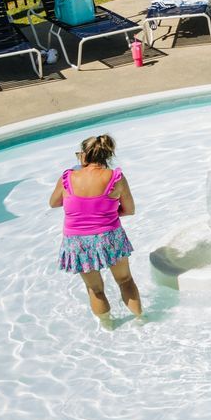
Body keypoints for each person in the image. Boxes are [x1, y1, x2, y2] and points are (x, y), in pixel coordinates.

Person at [48, 134, 144, 328]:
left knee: (94, 288)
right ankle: (140, 321)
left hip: (77, 241)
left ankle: (108, 326)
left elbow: (53, 203)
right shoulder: (115, 178)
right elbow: (130, 209)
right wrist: (106, 212)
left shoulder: (67, 178)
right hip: (109, 236)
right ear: (106, 155)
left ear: (84, 155)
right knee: (125, 281)